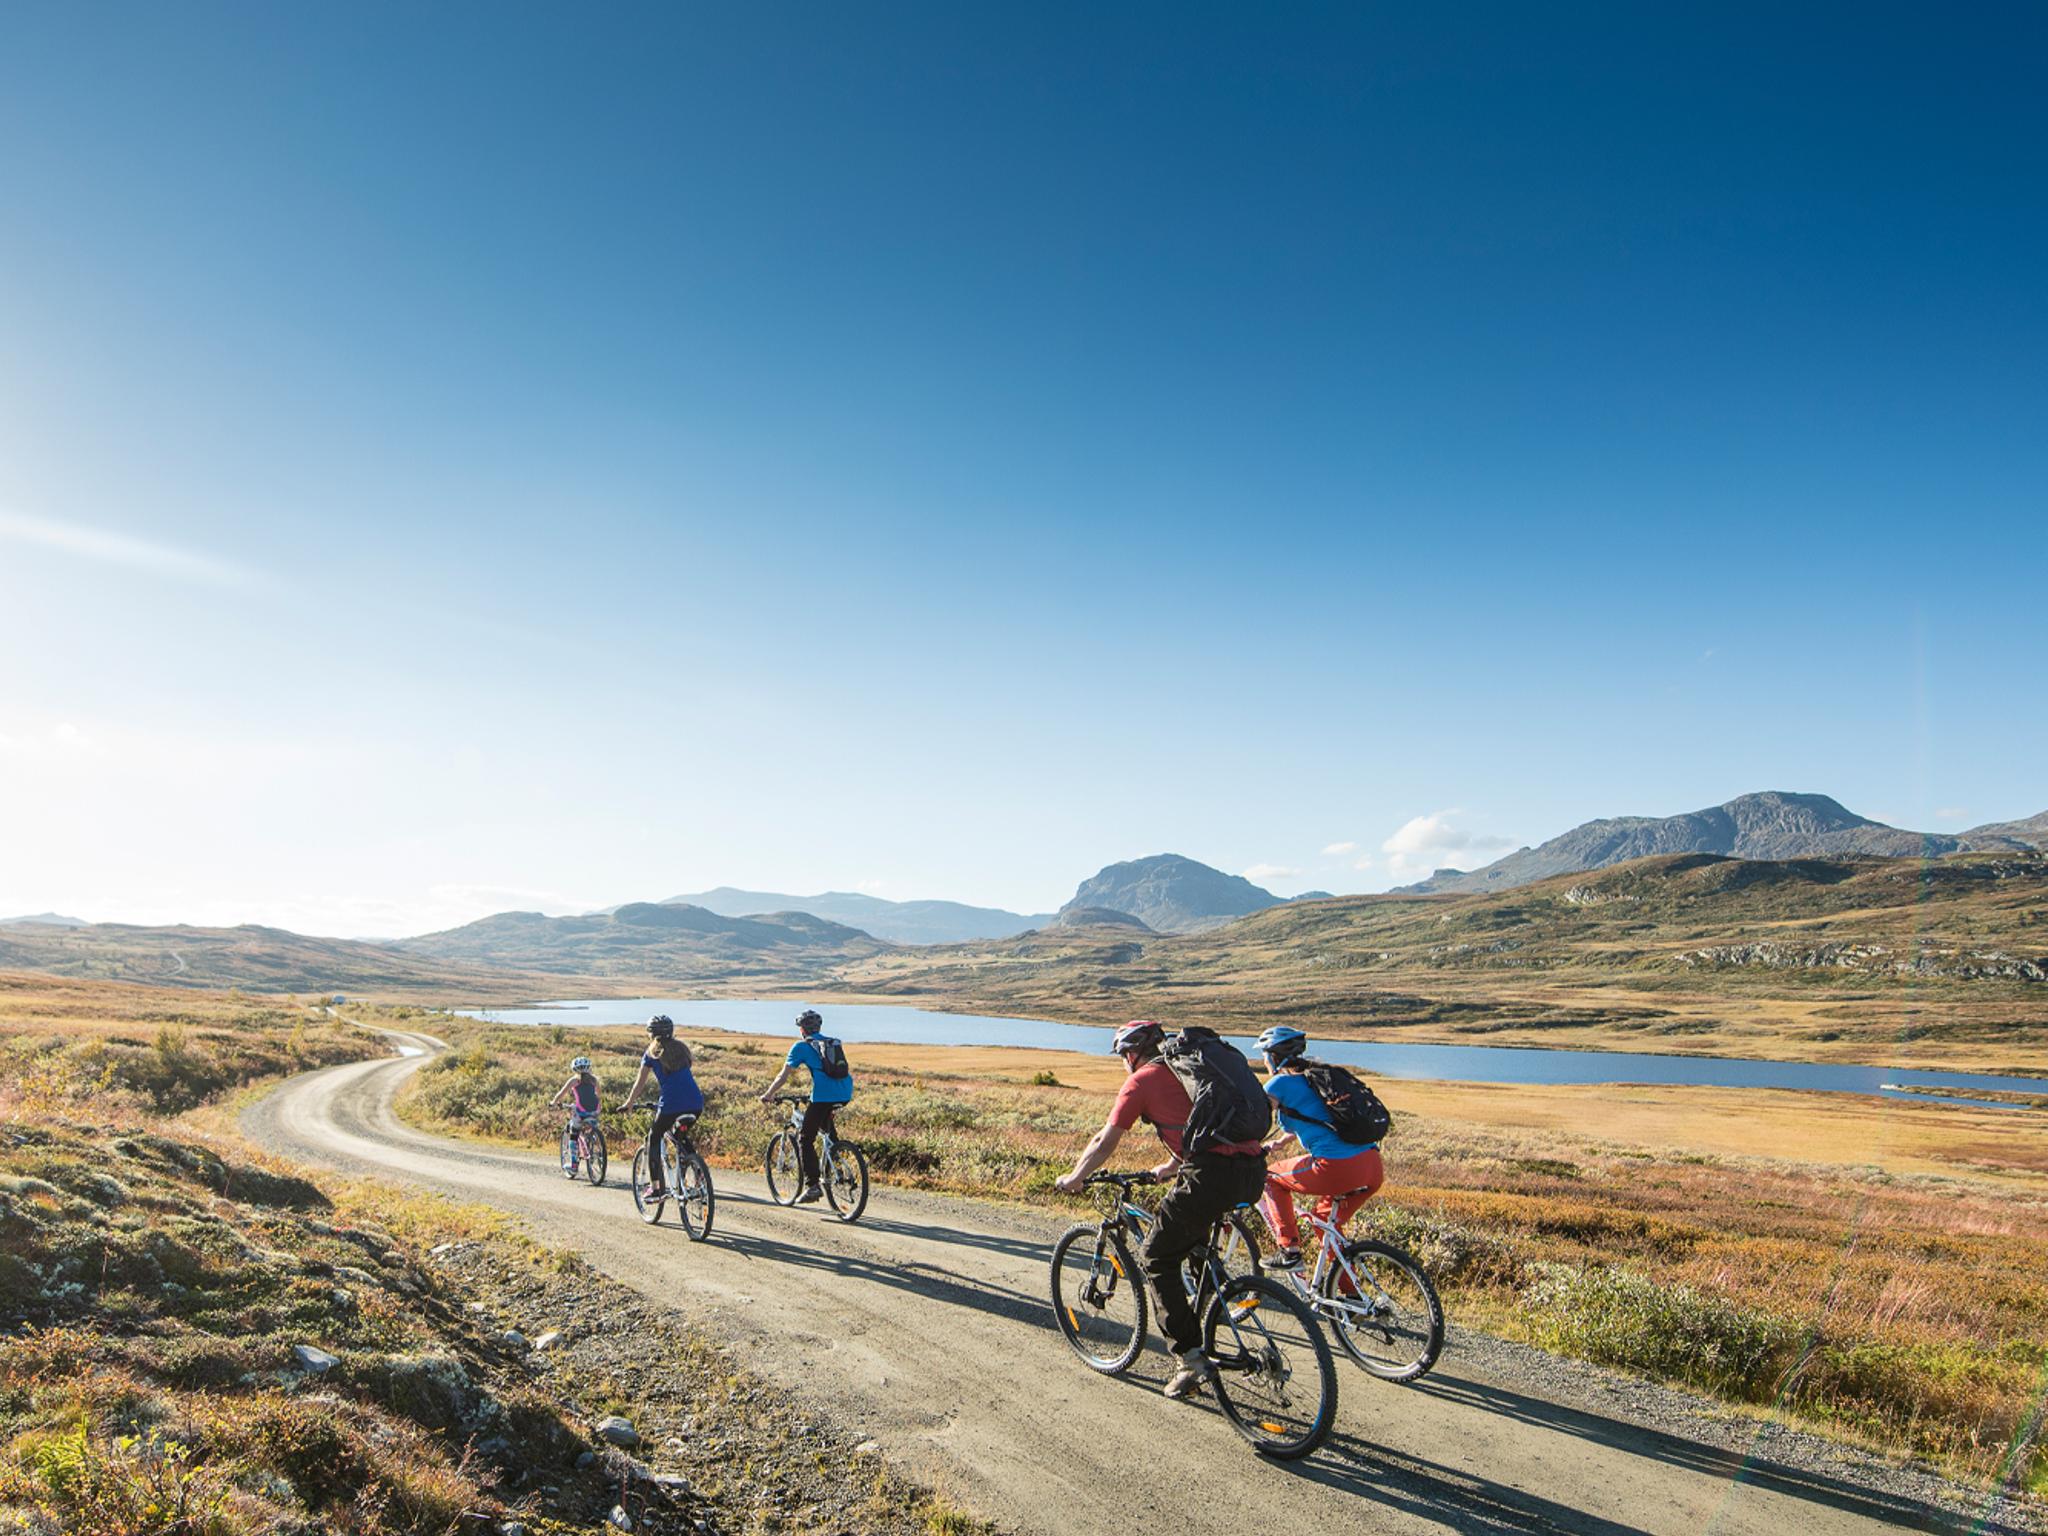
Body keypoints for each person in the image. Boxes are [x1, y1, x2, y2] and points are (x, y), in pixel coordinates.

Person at [1055, 1020, 1266, 1402]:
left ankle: (1190, 1359)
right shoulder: (1194, 1070)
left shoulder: (1142, 1080)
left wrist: (1075, 1176)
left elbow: (1105, 1140)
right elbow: (1200, 1127)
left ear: (1132, 1053)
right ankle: (1216, 1308)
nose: (1123, 1063)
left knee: (1155, 1256)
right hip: (1251, 1172)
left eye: (1123, 1056)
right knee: (1193, 1244)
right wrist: (1170, 1168)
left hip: (1210, 1176)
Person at [1251, 1026, 1385, 1271]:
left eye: (1264, 1055)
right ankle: (1349, 1296)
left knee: (1270, 1177)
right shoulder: (1318, 1076)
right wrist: (1281, 1142)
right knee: (1323, 1221)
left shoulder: (1278, 1084)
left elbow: (1253, 1122)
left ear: (1272, 1056)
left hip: (1336, 1167)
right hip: (1372, 1165)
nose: (1263, 1060)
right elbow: (1318, 1117)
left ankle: (1289, 1251)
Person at [757, 1008, 854, 1204]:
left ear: (802, 1030)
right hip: (845, 1092)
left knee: (804, 1139)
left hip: (823, 1096)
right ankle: (839, 1170)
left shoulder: (800, 1047)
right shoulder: (831, 1042)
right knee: (827, 1133)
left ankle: (812, 1186)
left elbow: (783, 1075)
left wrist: (768, 1094)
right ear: (819, 1027)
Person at [620, 1015, 704, 1198]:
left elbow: (639, 1083)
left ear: (650, 1033)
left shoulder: (651, 1052)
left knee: (654, 1137)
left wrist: (629, 1103)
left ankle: (656, 1188)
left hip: (671, 1103)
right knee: (679, 1136)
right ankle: (698, 1174)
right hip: (696, 1102)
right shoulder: (682, 1049)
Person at [549, 1055, 603, 1170]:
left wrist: (553, 1102)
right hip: (595, 1111)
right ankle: (594, 1142)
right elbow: (599, 1096)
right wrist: (599, 1109)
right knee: (591, 1127)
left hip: (581, 1112)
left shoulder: (574, 1081)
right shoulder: (594, 1080)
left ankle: (574, 1164)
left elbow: (561, 1093)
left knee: (574, 1135)